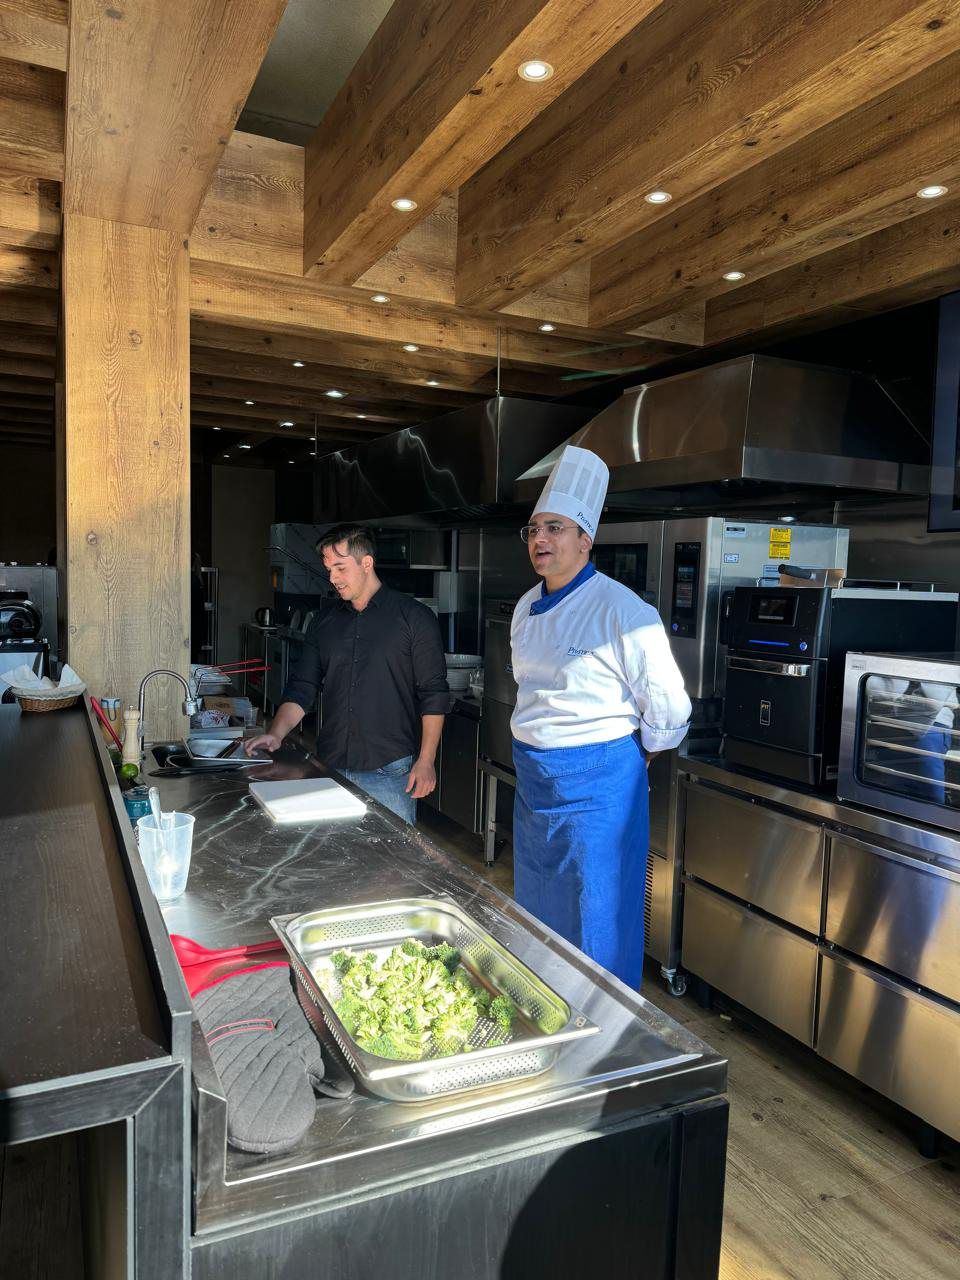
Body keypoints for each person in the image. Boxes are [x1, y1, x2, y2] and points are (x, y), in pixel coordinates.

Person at [510, 445, 691, 989]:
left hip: (599, 787)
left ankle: (607, 1044)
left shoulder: (625, 610)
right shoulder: (524, 607)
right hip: (534, 781)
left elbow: (669, 708)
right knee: (539, 906)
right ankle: (548, 1008)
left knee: (598, 916)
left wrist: (633, 755)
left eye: (556, 528)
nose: (541, 540)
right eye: (535, 529)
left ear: (586, 540)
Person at [244, 525, 448, 823]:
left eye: (340, 567)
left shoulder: (414, 618)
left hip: (390, 771)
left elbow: (434, 693)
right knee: (335, 862)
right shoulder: (324, 621)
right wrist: (276, 734)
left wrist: (426, 760)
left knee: (392, 864)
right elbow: (303, 686)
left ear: (367, 563)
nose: (332, 578)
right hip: (331, 766)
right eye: (329, 569)